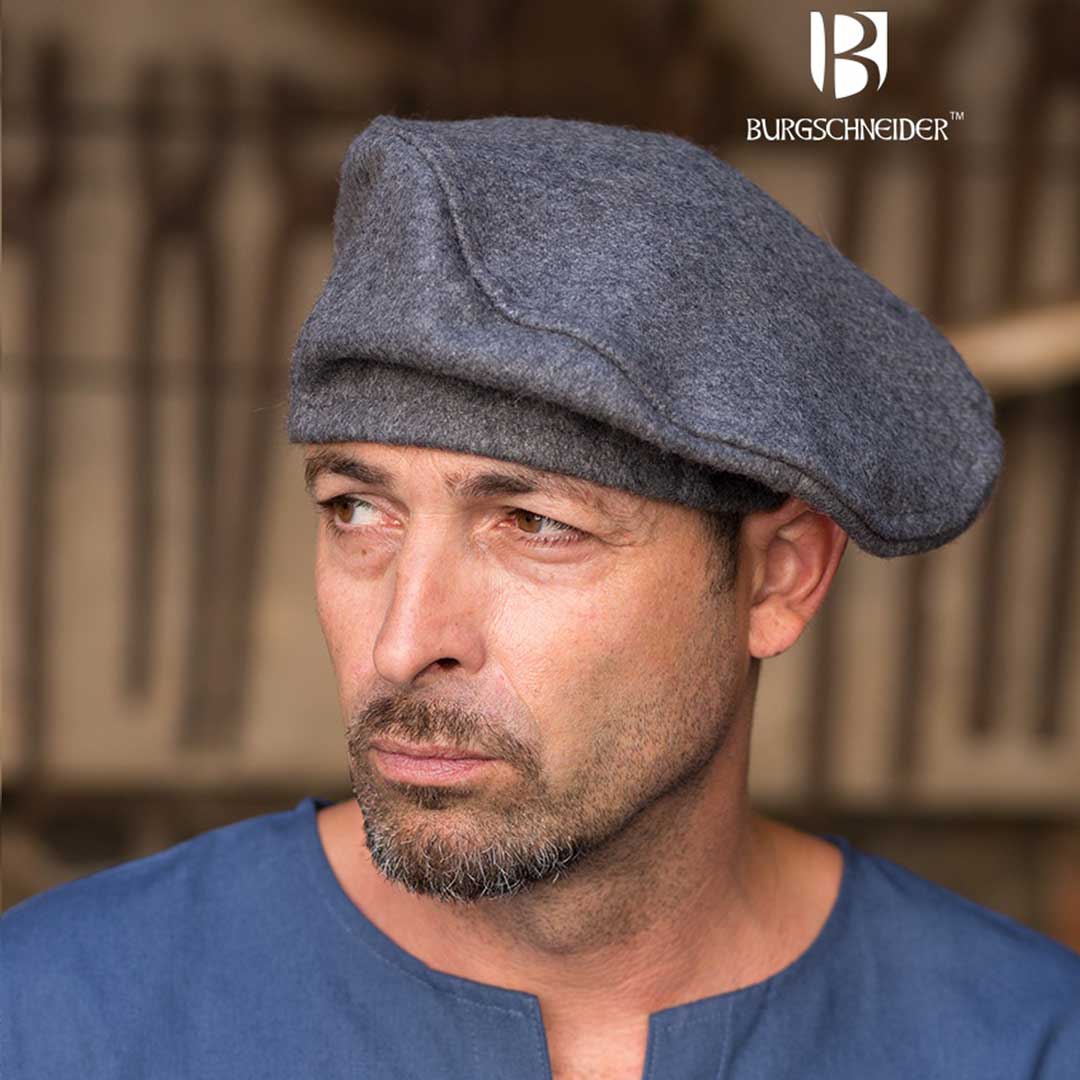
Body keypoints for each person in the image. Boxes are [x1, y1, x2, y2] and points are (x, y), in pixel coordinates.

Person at [3, 114, 1078, 1079]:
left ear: (779, 577)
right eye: (358, 510)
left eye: (535, 525)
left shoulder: (1026, 1042)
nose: (403, 642)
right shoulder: (60, 1015)